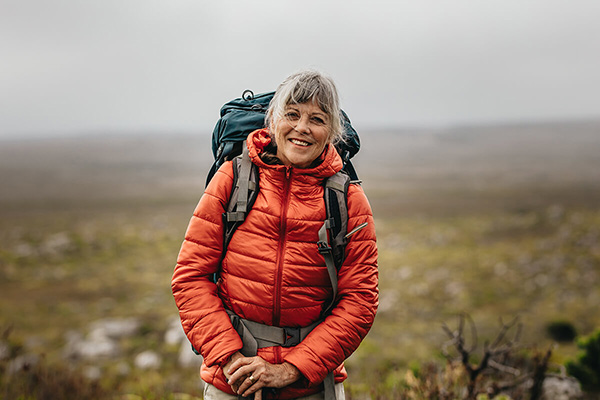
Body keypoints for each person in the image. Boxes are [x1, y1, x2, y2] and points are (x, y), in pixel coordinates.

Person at [172, 70, 378, 400]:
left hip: (311, 386)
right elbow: (190, 277)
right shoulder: (232, 178)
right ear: (273, 120)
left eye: (318, 118)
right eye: (292, 114)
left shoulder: (347, 199)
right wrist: (229, 359)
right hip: (232, 381)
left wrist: (291, 369)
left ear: (332, 132)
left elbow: (360, 300)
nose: (302, 128)